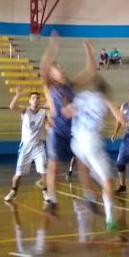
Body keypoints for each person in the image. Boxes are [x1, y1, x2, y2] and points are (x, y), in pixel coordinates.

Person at [40, 32, 97, 214]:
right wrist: (53, 47)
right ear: (52, 74)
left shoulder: (70, 85)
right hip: (57, 132)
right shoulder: (50, 87)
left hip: (74, 132)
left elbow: (91, 71)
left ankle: (90, 198)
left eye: (61, 67)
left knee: (83, 164)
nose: (62, 69)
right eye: (57, 68)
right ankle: (52, 200)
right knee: (53, 166)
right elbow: (44, 66)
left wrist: (89, 53)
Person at [70, 76, 128, 231]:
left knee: (86, 169)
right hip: (91, 141)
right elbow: (120, 117)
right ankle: (110, 220)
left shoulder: (81, 97)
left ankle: (89, 195)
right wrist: (125, 123)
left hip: (76, 142)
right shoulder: (104, 100)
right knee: (109, 180)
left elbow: (67, 112)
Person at [4, 87, 48, 202]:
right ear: (29, 100)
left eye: (37, 98)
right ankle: (13, 191)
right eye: (33, 98)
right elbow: (12, 106)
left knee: (44, 172)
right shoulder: (25, 111)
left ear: (40, 100)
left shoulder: (44, 112)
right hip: (26, 147)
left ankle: (45, 192)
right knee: (18, 174)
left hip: (39, 146)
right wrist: (18, 94)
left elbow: (53, 108)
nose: (35, 100)